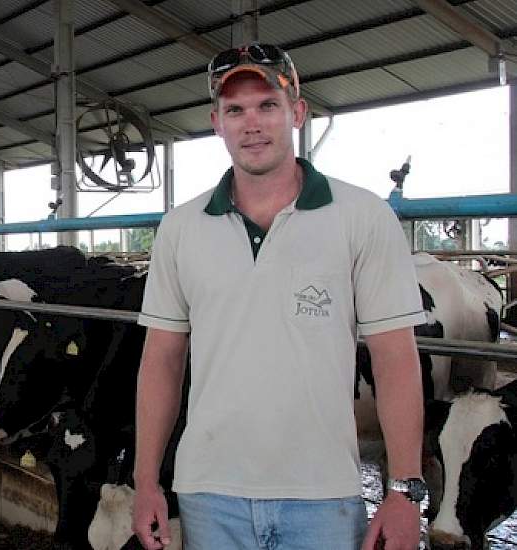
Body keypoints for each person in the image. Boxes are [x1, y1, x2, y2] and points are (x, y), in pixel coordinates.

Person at [131, 43, 426, 550]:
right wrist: (145, 481)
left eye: (268, 105)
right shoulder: (180, 228)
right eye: (235, 110)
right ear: (215, 122)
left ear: (297, 113)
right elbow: (161, 358)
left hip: (323, 496)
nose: (252, 123)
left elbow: (395, 357)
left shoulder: (363, 216)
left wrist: (404, 490)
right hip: (208, 493)